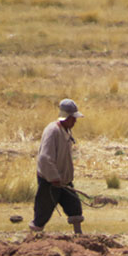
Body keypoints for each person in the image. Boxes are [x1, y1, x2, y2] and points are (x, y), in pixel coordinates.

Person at [30, 99, 85, 234]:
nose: (75, 121)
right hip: (50, 181)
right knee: (43, 212)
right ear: (66, 117)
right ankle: (33, 240)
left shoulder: (66, 131)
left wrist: (63, 178)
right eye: (73, 118)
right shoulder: (52, 131)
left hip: (64, 181)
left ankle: (79, 236)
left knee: (74, 207)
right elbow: (45, 157)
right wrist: (54, 178)